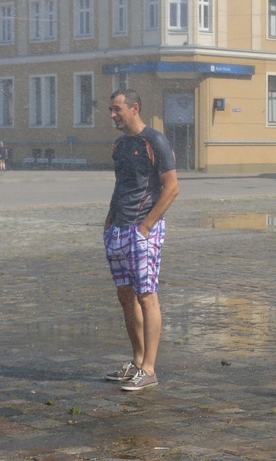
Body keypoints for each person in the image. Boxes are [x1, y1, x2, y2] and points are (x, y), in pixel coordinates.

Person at [103, 89, 179, 391]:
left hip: (142, 228)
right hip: (118, 228)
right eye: (110, 109)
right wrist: (109, 221)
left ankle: (149, 368)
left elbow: (171, 187)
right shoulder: (120, 144)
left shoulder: (155, 140)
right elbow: (121, 184)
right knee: (125, 295)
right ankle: (136, 361)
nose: (112, 115)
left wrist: (147, 227)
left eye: (117, 109)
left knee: (146, 296)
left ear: (134, 108)